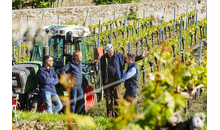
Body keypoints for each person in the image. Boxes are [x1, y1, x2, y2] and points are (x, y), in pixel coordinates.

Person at [100, 44, 149, 117]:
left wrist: (141, 57)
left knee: (117, 99)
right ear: (106, 51)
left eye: (111, 51)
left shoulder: (119, 56)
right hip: (107, 81)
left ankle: (117, 115)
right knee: (108, 99)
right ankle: (109, 116)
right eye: (108, 51)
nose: (110, 52)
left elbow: (131, 59)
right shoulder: (103, 58)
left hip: (117, 80)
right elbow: (101, 68)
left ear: (113, 49)